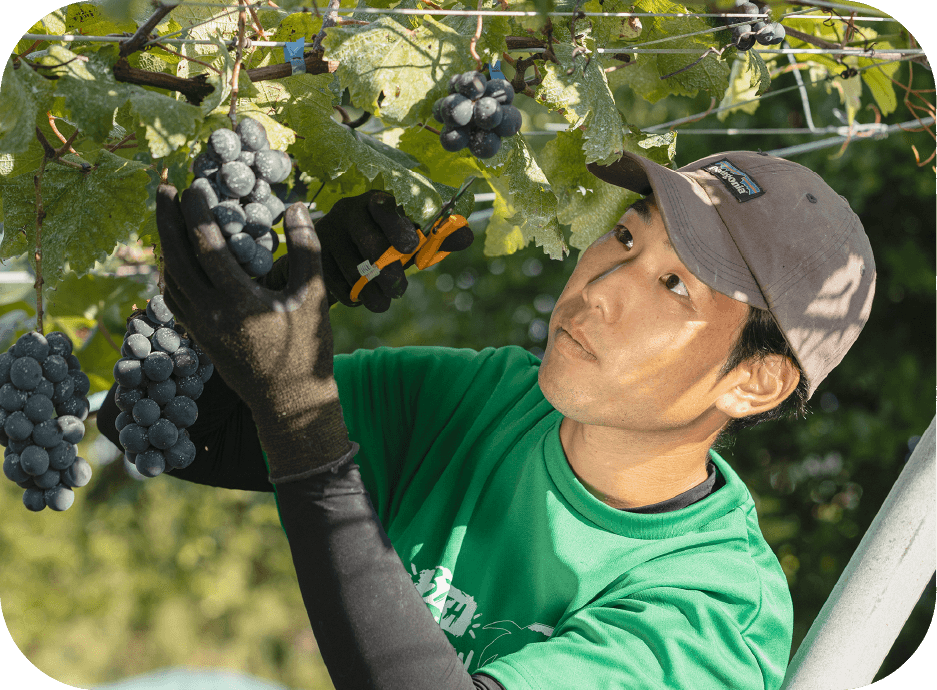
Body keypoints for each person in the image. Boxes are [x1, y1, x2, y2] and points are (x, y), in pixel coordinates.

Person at [97, 149, 876, 690]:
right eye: (626, 236)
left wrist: (301, 415)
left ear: (755, 382)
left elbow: (298, 432)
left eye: (674, 284)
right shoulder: (484, 401)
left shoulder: (710, 614)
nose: (598, 287)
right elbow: (173, 433)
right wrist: (281, 293)